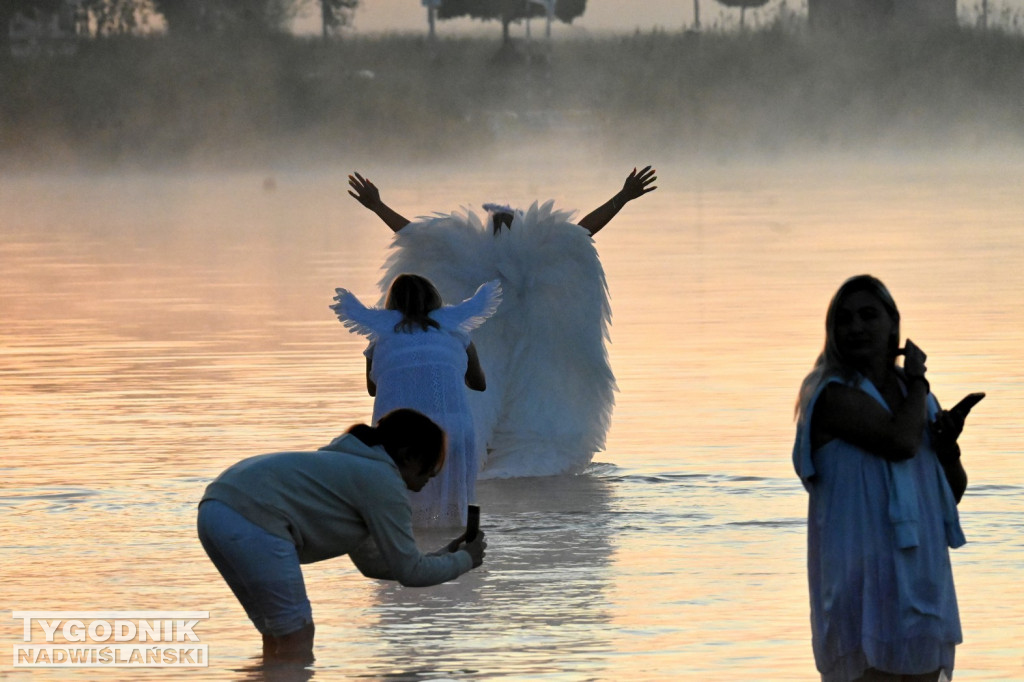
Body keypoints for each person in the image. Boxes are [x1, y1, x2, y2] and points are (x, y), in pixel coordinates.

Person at [346, 167, 657, 479]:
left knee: (492, 413)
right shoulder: (493, 258)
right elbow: (579, 234)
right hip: (508, 355)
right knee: (501, 413)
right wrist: (622, 198)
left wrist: (377, 206)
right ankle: (495, 474)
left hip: (503, 355)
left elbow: (416, 237)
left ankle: (477, 474)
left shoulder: (479, 258)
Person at [793, 275, 975, 682]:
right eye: (845, 319)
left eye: (868, 315)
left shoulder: (917, 399)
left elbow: (951, 493)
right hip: (857, 579)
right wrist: (918, 380)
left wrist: (948, 448)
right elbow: (900, 443)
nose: (856, 326)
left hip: (920, 576)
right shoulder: (830, 395)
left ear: (894, 324)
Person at [197, 409, 487, 663]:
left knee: (278, 634)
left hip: (216, 511)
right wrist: (465, 561)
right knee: (297, 635)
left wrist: (444, 556)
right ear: (409, 455)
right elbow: (411, 573)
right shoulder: (382, 480)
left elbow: (375, 564)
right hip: (252, 517)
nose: (429, 481)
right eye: (429, 471)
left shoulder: (352, 467)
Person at [331, 274, 502, 528]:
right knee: (456, 515)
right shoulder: (456, 331)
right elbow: (479, 384)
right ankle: (461, 556)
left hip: (401, 433)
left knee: (403, 514)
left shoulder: (380, 337)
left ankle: (410, 559)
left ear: (392, 304)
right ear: (435, 300)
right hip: (454, 429)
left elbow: (372, 389)